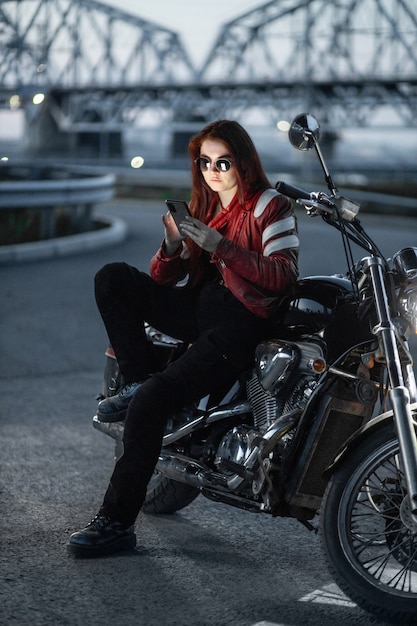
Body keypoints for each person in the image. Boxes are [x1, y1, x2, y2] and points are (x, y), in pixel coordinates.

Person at [67, 119, 299, 557]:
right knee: (113, 279)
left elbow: (283, 278)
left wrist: (220, 245)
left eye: (222, 161)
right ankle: (134, 378)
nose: (212, 170)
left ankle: (116, 523)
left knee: (154, 400)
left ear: (243, 162)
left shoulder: (272, 206)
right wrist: (172, 244)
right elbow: (161, 277)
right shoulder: (204, 206)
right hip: (197, 308)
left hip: (238, 325)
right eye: (204, 162)